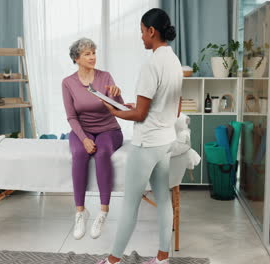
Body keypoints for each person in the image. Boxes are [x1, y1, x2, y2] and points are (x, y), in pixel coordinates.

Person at [97, 8, 182, 264]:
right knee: (163, 200)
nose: (141, 37)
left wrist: (114, 111)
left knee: (129, 206)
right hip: (165, 141)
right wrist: (137, 106)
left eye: (142, 32)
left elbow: (140, 115)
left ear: (152, 31)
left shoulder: (151, 64)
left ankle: (112, 261)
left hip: (146, 145)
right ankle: (162, 259)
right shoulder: (175, 61)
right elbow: (174, 107)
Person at [62, 38, 124, 240]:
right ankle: (80, 211)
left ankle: (103, 211)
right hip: (83, 130)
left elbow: (119, 109)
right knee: (79, 153)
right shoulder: (68, 83)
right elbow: (71, 117)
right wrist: (84, 139)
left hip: (109, 129)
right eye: (87, 54)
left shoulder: (105, 77)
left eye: (94, 52)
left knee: (103, 152)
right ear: (76, 58)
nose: (92, 57)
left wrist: (117, 95)